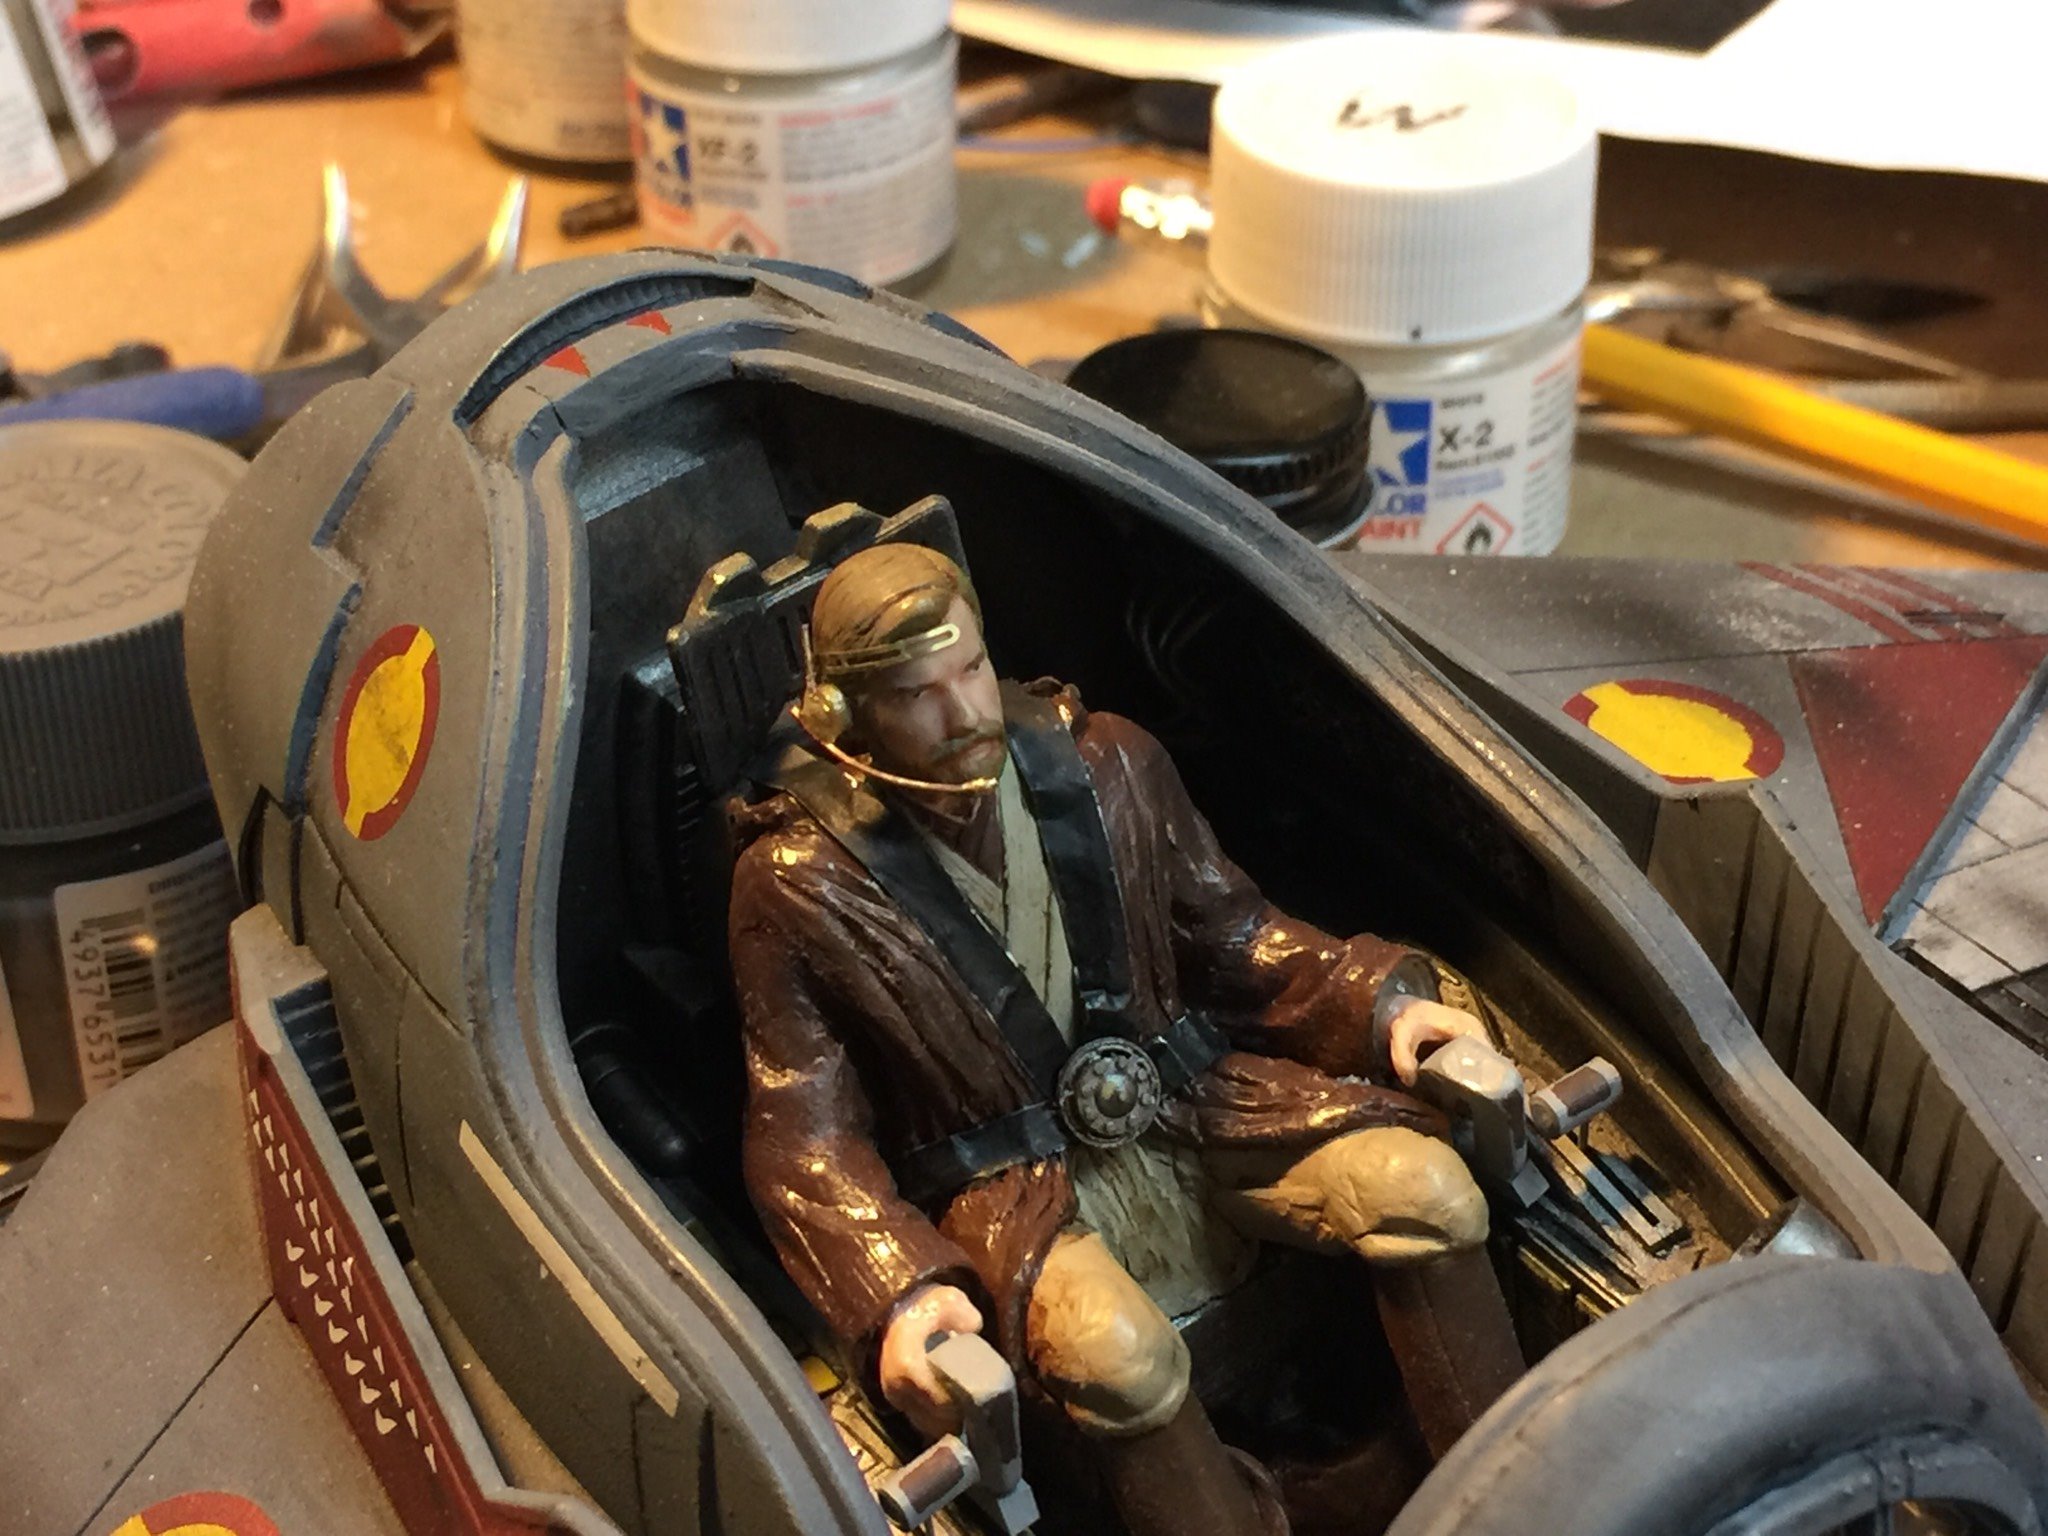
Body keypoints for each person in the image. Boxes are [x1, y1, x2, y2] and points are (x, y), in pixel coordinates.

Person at [728, 542, 1523, 1536]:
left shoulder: (1107, 766)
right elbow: (805, 1135)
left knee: (1430, 1192)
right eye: (917, 694)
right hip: (1015, 1193)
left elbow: (1235, 936)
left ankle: (1516, 1501)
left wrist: (1381, 1007)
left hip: (1200, 1104)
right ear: (850, 717)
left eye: (970, 668)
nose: (963, 711)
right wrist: (900, 1292)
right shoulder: (801, 886)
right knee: (1116, 1350)